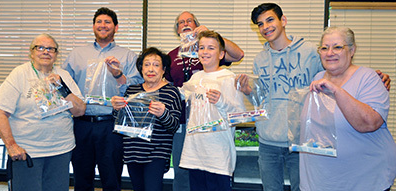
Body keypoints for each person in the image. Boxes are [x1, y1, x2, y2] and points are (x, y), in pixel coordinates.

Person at [235, 3, 391, 191]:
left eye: (270, 20)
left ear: (283, 20)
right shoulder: (260, 59)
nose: (265, 27)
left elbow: (338, 70)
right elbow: (263, 100)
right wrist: (249, 92)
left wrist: (373, 77)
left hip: (303, 141)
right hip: (268, 141)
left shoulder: (311, 51)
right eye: (260, 24)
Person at [300, 26, 396, 191]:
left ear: (352, 50)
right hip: (319, 180)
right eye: (324, 48)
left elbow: (369, 123)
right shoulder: (317, 78)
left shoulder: (368, 78)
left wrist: (336, 90)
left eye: (337, 47)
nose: (330, 53)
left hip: (364, 181)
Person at [62, 7, 143, 191]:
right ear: (93, 26)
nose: (103, 25)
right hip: (82, 124)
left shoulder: (128, 56)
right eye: (99, 22)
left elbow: (137, 87)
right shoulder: (77, 54)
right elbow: (65, 86)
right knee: (81, 178)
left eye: (107, 22)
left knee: (112, 178)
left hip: (112, 124)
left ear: (116, 27)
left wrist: (118, 75)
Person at [0, 33, 86, 191]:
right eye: (41, 48)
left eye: (51, 49)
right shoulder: (19, 74)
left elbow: (80, 110)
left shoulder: (63, 75)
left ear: (56, 54)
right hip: (28, 152)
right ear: (31, 52)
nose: (46, 52)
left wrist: (62, 87)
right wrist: (11, 146)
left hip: (61, 150)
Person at [167, 11, 244, 191]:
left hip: (218, 153)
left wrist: (222, 101)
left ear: (221, 54)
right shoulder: (194, 79)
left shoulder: (227, 77)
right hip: (195, 152)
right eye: (202, 48)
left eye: (211, 48)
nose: (205, 52)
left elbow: (239, 116)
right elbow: (176, 92)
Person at [111, 47, 181, 191]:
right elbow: (120, 123)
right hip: (132, 151)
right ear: (141, 69)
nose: (151, 69)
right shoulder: (132, 90)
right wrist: (116, 109)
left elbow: (174, 126)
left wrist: (163, 114)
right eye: (146, 64)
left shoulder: (171, 91)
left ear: (163, 70)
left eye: (156, 65)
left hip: (157, 153)